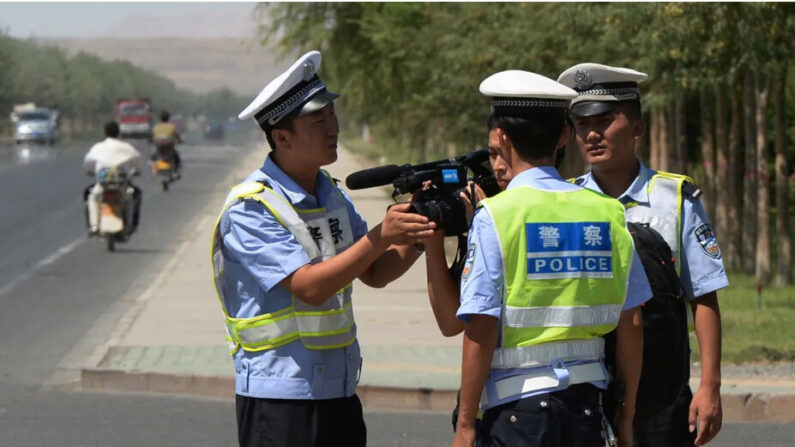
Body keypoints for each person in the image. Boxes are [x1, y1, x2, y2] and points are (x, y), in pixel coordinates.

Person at [211, 50, 436, 447]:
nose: (333, 128)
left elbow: (374, 272)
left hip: (338, 391)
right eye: (318, 121)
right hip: (280, 397)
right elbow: (311, 287)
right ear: (282, 137)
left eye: (331, 115)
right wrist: (381, 235)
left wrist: (419, 231)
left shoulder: (330, 193)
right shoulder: (252, 208)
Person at [451, 69, 652, 447]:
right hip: (588, 411)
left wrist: (465, 423)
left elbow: (480, 325)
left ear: (502, 138)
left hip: (517, 412)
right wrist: (626, 417)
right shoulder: (607, 212)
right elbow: (633, 320)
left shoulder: (496, 214)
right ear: (564, 135)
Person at [558, 63, 728, 447]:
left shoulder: (675, 198)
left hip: (660, 393)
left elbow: (703, 293)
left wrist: (710, 386)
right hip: (583, 392)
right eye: (582, 124)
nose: (591, 134)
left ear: (637, 128)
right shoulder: (564, 200)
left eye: (603, 121)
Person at [83, 120, 143, 234]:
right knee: (132, 196)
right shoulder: (127, 147)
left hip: (103, 185)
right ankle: (130, 225)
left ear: (105, 133)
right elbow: (138, 161)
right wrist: (137, 172)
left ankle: (94, 226)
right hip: (123, 185)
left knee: (92, 197)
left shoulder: (97, 147)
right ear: (118, 133)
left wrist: (90, 171)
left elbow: (87, 163)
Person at [151, 109, 183, 174]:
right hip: (169, 147)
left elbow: (151, 136)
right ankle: (176, 169)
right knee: (176, 156)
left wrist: (150, 141)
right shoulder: (171, 126)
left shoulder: (157, 127)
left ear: (160, 118)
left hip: (159, 147)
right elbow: (177, 136)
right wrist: (180, 141)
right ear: (168, 118)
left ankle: (154, 170)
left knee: (153, 157)